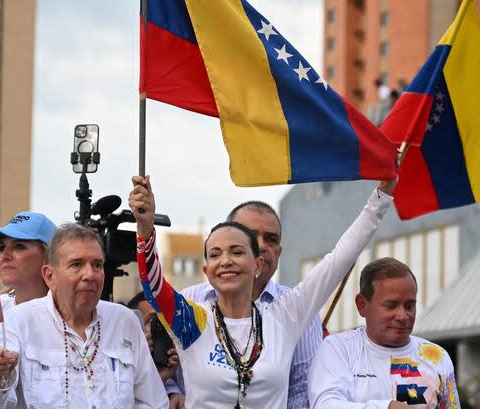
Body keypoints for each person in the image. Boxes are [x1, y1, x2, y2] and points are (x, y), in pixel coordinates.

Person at [129, 174, 395, 409]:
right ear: (207, 270)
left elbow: (340, 259)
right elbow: (153, 285)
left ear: (258, 264)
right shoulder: (192, 321)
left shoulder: (285, 315)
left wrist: (380, 198)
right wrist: (145, 227)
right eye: (215, 254)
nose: (226, 261)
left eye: (237, 251)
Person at [0, 223, 167, 409]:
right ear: (49, 276)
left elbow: (153, 401)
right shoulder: (17, 321)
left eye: (97, 265)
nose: (89, 274)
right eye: (77, 264)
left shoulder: (124, 320)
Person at [181, 200, 323, 409]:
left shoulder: (296, 308)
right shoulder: (189, 301)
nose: (262, 245)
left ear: (279, 252)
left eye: (271, 239)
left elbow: (303, 387)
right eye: (250, 235)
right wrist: (172, 391)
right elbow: (162, 371)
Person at [308, 258, 460, 409]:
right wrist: (387, 407)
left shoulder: (437, 358)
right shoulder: (338, 349)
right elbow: (325, 405)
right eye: (391, 306)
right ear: (362, 305)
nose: (402, 316)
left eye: (409, 306)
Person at [0, 211, 57, 310]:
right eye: (2, 247)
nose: (4, 256)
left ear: (49, 256)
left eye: (19, 246)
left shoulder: (72, 316)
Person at [128, 292, 185, 409]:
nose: (163, 326)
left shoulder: (182, 365)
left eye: (167, 320)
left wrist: (161, 377)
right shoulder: (121, 367)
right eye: (154, 321)